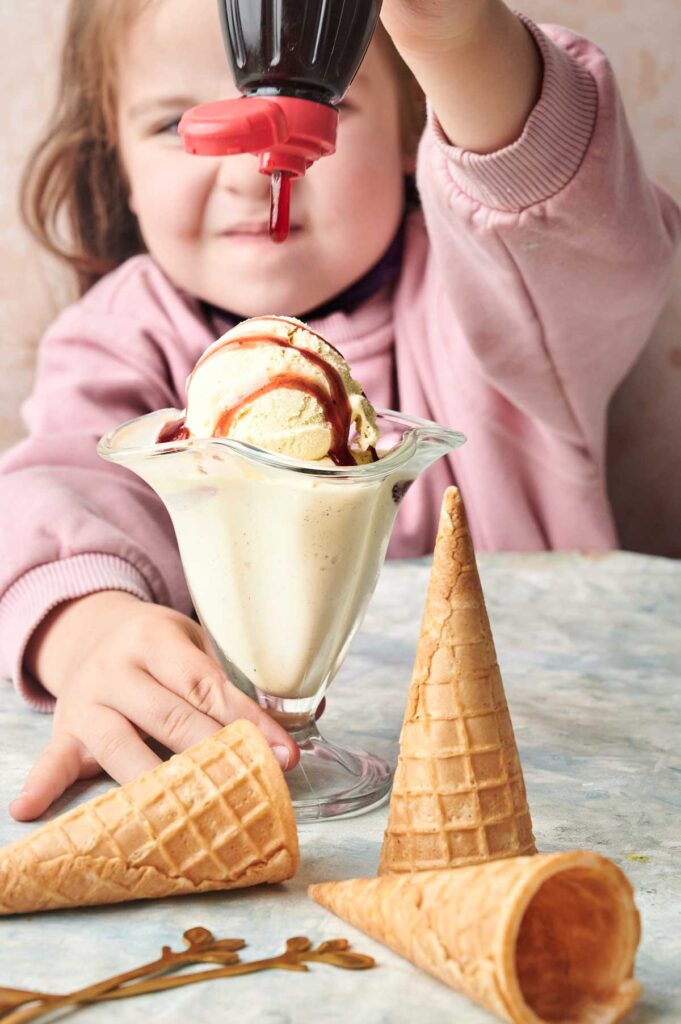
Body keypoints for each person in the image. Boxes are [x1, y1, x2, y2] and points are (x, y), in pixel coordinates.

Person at [2, 0, 678, 822]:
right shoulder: (119, 337)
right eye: (180, 122)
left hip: (561, 775)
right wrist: (88, 631)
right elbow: (49, 494)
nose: (259, 165)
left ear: (410, 134)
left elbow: (585, 238)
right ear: (116, 167)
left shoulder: (499, 296)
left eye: (325, 104)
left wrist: (458, 38)